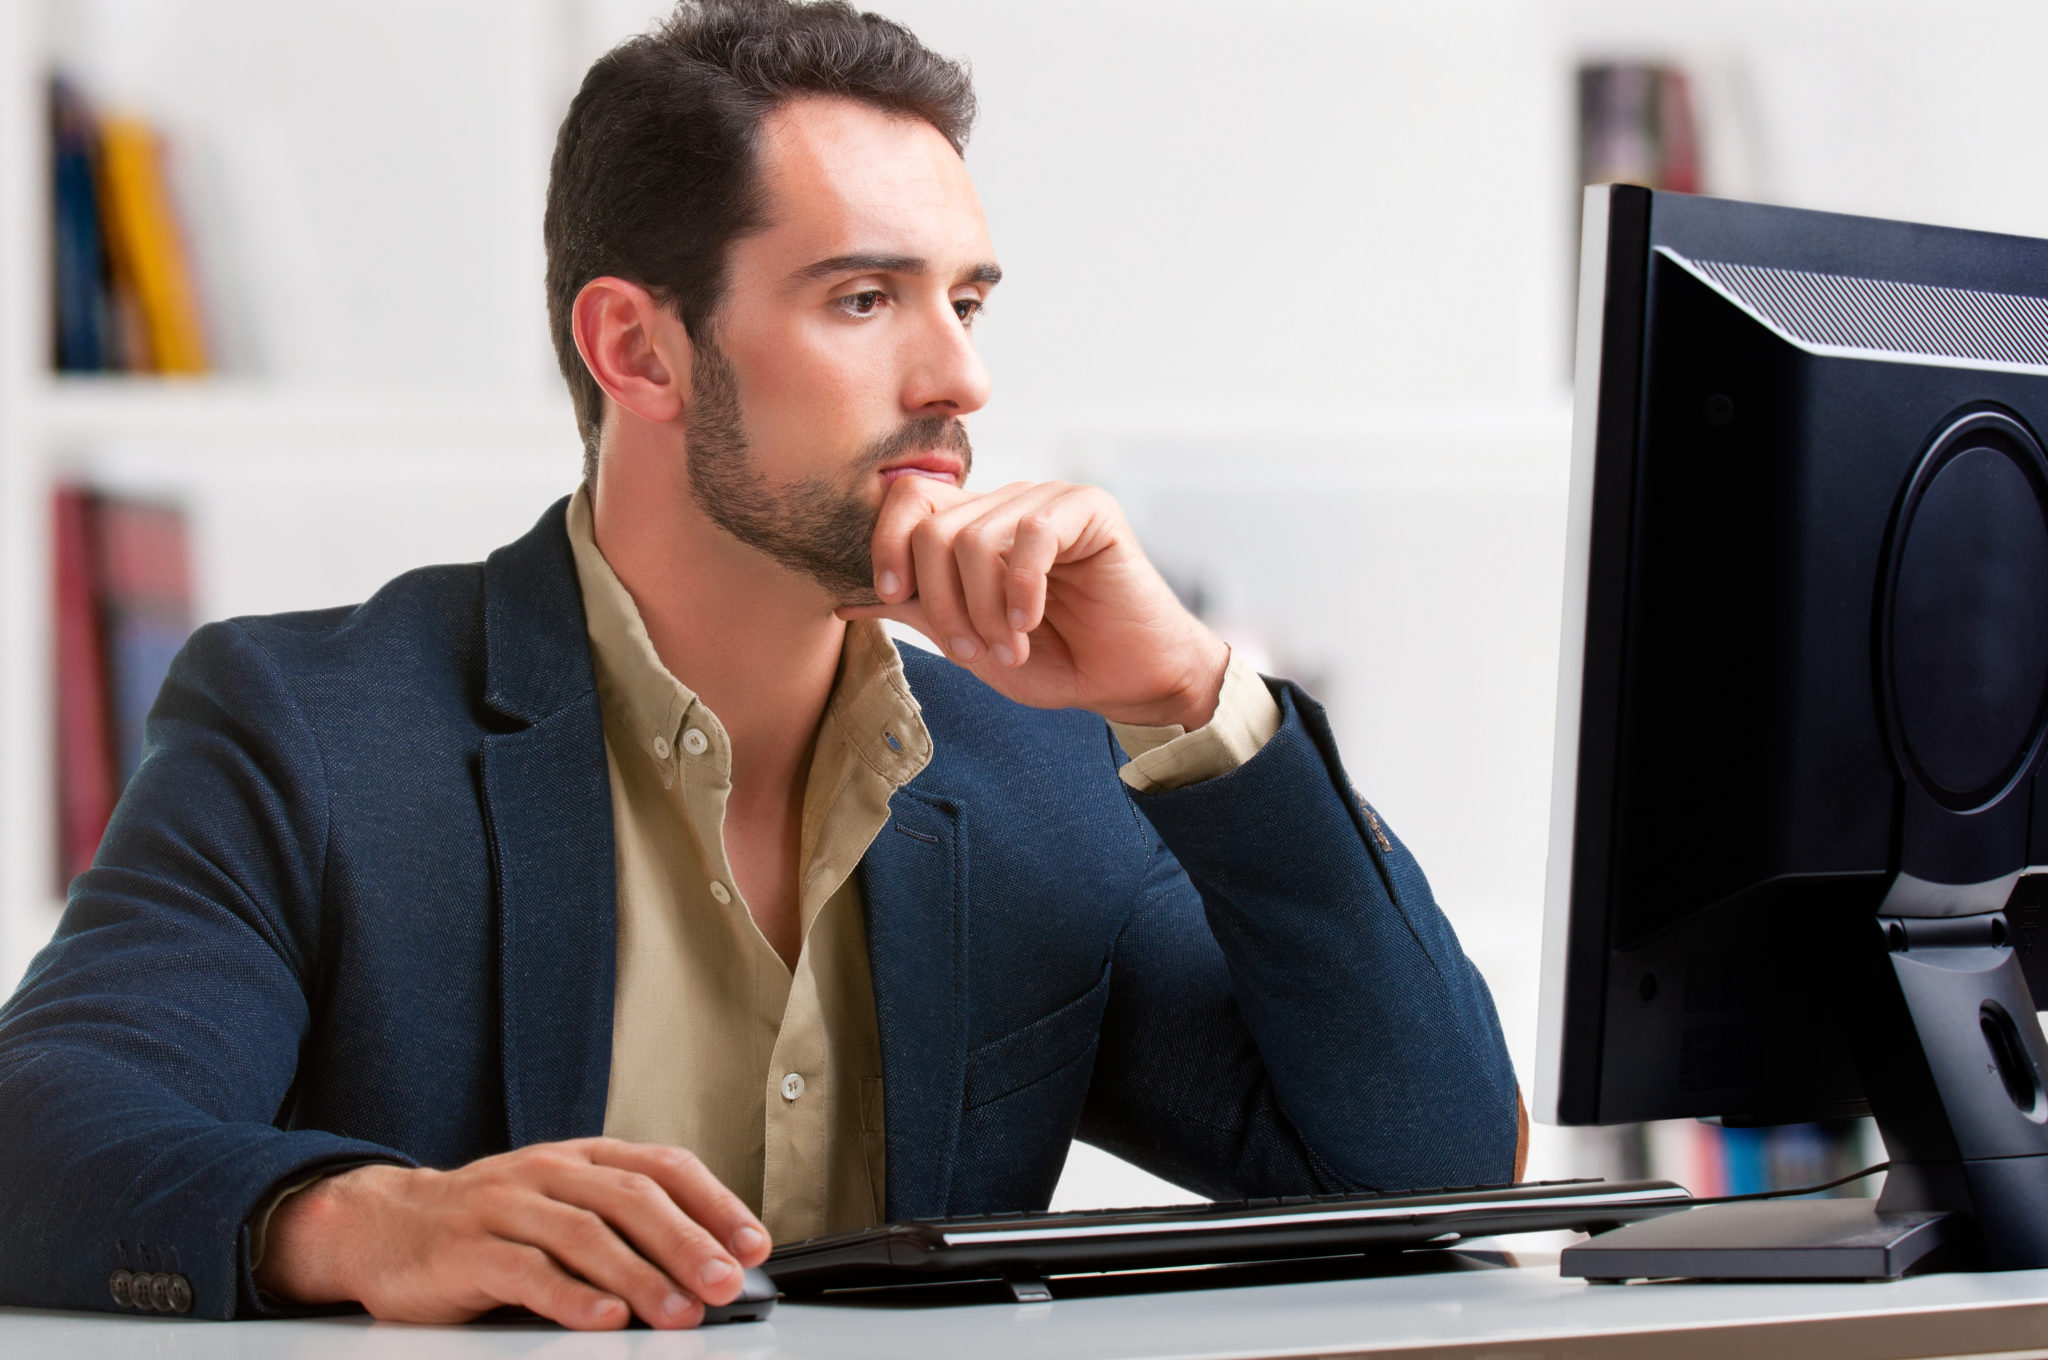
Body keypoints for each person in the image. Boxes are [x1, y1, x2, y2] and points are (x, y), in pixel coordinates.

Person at [0, 0, 1522, 1331]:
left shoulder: (1045, 775)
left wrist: (1194, 701)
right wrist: (371, 1222)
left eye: (967, 300)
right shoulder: (315, 730)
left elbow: (1432, 1167)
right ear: (639, 352)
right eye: (864, 299)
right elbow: (43, 1134)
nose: (960, 377)